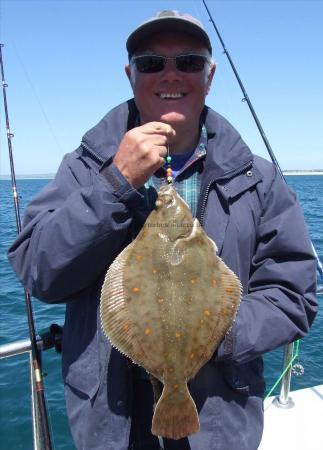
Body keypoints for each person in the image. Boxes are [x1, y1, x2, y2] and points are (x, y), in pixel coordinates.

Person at [8, 10, 318, 450]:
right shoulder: (85, 169)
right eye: (152, 63)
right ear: (129, 74)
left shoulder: (260, 180)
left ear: (209, 76)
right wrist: (116, 184)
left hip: (219, 421)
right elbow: (39, 273)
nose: (170, 74)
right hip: (109, 422)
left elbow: (293, 296)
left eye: (188, 62)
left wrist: (214, 334)